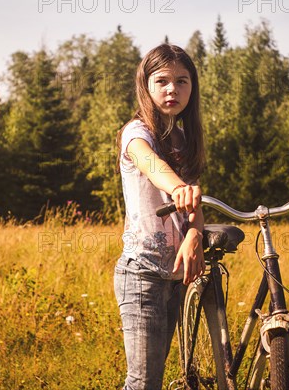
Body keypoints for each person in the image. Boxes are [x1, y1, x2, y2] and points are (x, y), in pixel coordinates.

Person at [114, 43, 206, 390]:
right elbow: (153, 167)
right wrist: (179, 186)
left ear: (192, 88)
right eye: (162, 81)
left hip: (176, 277)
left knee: (156, 378)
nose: (172, 89)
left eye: (182, 81)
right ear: (146, 86)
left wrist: (195, 234)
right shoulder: (136, 134)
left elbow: (194, 207)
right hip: (142, 274)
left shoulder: (183, 138)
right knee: (143, 382)